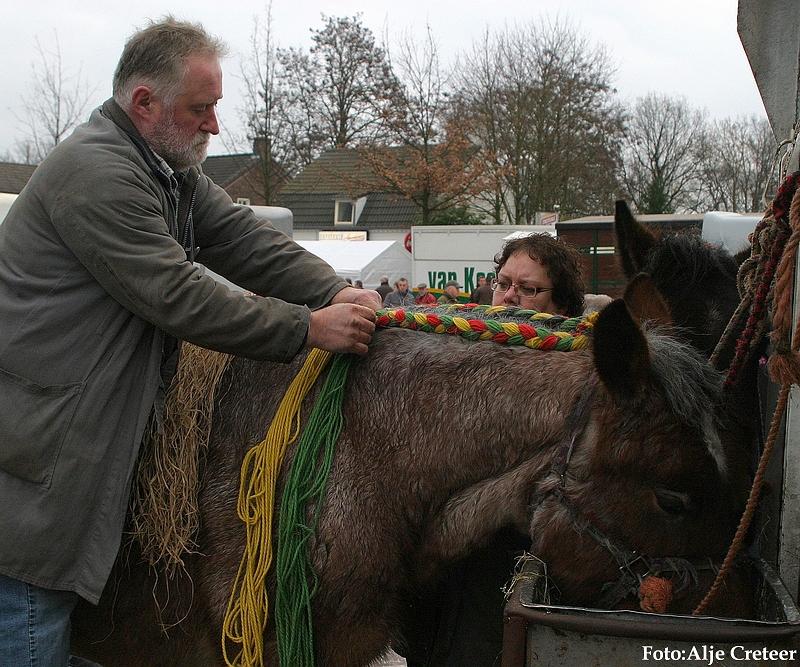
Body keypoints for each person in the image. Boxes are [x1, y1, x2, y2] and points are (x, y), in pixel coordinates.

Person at [0, 17, 381, 667]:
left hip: (72, 440)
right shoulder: (97, 171)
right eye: (200, 109)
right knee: (34, 603)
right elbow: (176, 294)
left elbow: (242, 239)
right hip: (43, 448)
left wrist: (333, 290)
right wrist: (305, 327)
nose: (213, 126)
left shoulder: (165, 169)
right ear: (144, 103)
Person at [401, 234, 586, 667]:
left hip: (506, 564)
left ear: (561, 308)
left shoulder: (572, 378)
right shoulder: (459, 353)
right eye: (503, 283)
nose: (509, 296)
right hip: (437, 569)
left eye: (528, 289)